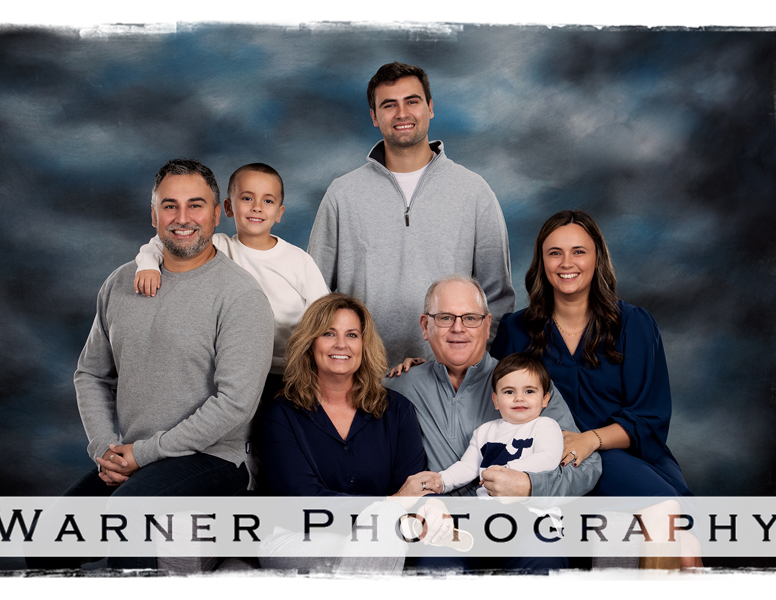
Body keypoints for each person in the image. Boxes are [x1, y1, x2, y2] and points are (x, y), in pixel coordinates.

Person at [29, 159, 275, 572]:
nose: (182, 219)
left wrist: (143, 455)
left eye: (196, 206)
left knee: (129, 512)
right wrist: (105, 449)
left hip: (214, 459)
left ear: (217, 213)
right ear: (153, 213)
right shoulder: (120, 283)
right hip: (133, 455)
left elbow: (234, 404)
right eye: (169, 206)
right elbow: (90, 374)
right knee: (48, 542)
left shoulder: (240, 297)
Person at [489, 209, 700, 569]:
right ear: (541, 261)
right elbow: (485, 382)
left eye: (579, 251)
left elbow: (650, 416)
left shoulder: (633, 323)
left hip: (629, 454)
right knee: (671, 519)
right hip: (556, 459)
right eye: (554, 252)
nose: (566, 262)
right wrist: (419, 364)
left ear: (597, 257)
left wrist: (591, 440)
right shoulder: (517, 329)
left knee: (680, 536)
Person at [385, 275, 601, 574]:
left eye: (470, 318)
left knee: (541, 559)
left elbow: (587, 468)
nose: (458, 328)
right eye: (445, 317)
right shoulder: (399, 387)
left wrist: (528, 485)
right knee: (434, 572)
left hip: (527, 525)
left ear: (487, 325)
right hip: (447, 529)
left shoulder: (525, 385)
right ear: (425, 326)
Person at [308, 61, 515, 366]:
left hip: (448, 381)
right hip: (362, 380)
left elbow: (496, 297)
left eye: (412, 101)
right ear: (374, 117)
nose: (402, 113)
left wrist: (467, 365)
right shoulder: (342, 194)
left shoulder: (473, 191)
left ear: (430, 107)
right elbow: (314, 294)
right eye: (389, 105)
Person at [258, 293, 452, 573]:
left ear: (364, 344)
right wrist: (392, 504)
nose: (341, 344)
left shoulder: (397, 411)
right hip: (298, 538)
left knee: (380, 535)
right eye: (328, 333)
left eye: (352, 335)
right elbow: (301, 501)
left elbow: (414, 486)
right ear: (310, 342)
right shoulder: (282, 414)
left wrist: (426, 506)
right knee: (383, 530)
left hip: (381, 536)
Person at [133, 162, 329, 408]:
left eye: (267, 201)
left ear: (279, 213)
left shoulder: (298, 261)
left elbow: (326, 315)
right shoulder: (219, 246)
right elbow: (161, 242)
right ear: (227, 207)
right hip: (236, 370)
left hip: (290, 372)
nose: (257, 207)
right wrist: (148, 265)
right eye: (247, 198)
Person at [419, 353, 563, 498]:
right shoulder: (484, 431)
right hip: (488, 508)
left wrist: (507, 469)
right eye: (509, 391)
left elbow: (548, 458)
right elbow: (468, 466)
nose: (519, 398)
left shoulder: (546, 426)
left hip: (532, 509)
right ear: (496, 400)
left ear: (545, 399)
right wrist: (443, 480)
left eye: (529, 391)